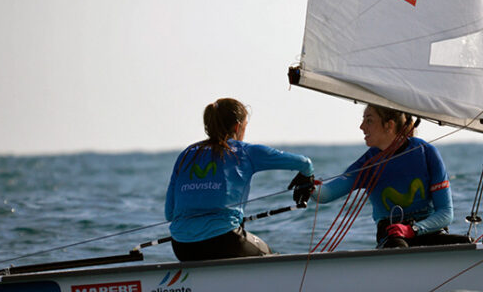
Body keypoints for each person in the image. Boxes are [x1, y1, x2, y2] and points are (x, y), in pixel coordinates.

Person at [165, 98, 315, 262]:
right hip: (225, 240)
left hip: (181, 246)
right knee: (268, 254)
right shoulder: (245, 152)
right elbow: (304, 163)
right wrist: (307, 175)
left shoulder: (186, 154)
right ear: (238, 126)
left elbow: (169, 213)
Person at [316, 104, 466, 249]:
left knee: (466, 244)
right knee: (399, 247)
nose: (362, 127)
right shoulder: (367, 163)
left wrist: (413, 229)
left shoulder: (426, 153)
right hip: (392, 237)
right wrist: (309, 184)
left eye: (369, 120)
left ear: (389, 125)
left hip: (428, 231)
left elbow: (446, 213)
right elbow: (325, 195)